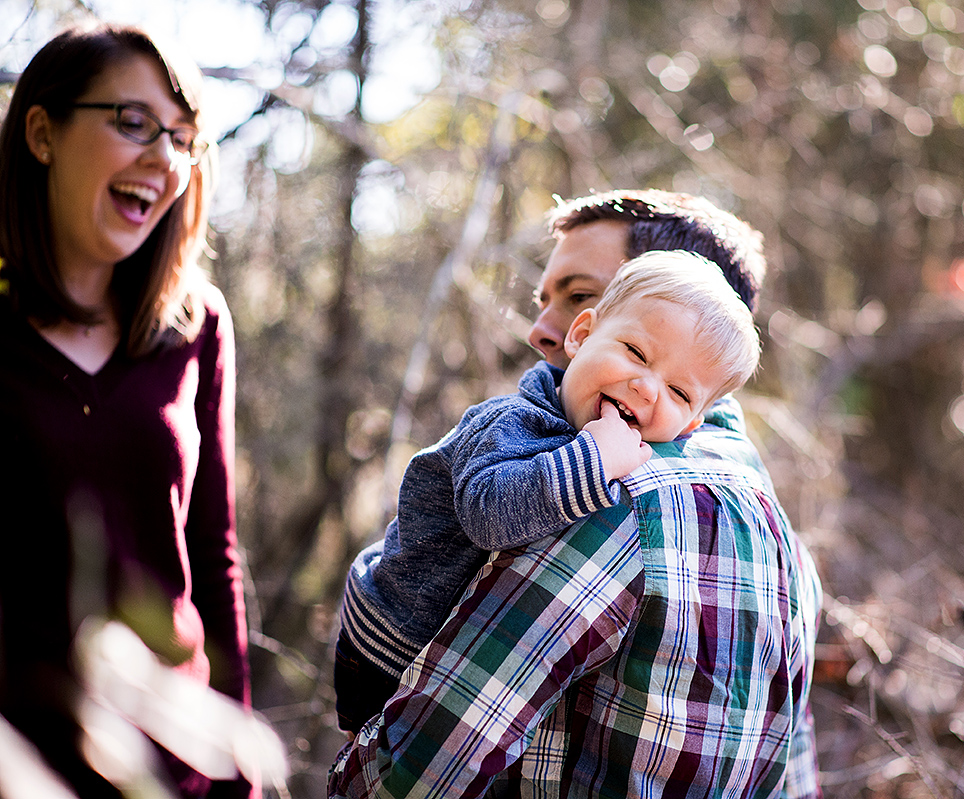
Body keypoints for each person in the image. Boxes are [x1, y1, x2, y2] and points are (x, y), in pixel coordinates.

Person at [328, 189, 823, 798]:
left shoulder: (617, 496)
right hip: (387, 634)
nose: (540, 330)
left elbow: (422, 770)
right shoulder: (779, 533)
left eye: (579, 294)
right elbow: (791, 767)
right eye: (546, 300)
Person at [334, 249, 761, 734]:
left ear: (691, 425)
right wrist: (593, 461)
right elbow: (490, 516)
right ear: (580, 336)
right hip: (389, 639)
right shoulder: (513, 422)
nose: (646, 388)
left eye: (680, 393)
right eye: (636, 353)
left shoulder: (657, 470)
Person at [0, 23, 257, 798]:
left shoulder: (197, 326)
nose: (164, 159)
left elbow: (213, 556)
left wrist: (233, 768)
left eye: (182, 138)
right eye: (133, 123)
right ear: (42, 131)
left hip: (167, 762)